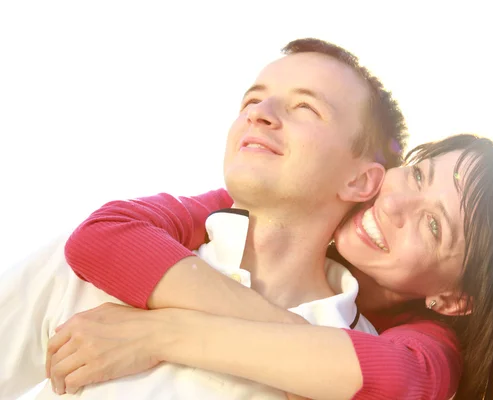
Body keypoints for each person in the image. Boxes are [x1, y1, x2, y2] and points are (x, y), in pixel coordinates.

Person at [0, 38, 407, 400]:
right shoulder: (87, 276)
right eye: (251, 100)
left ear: (360, 181)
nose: (260, 113)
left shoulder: (363, 374)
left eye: (305, 106)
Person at [53, 134, 493, 400]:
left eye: (433, 226)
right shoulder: (297, 209)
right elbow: (104, 237)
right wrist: (307, 357)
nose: (394, 205)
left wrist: (162, 332)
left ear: (453, 299)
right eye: (416, 175)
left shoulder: (432, 352)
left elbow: (391, 385)